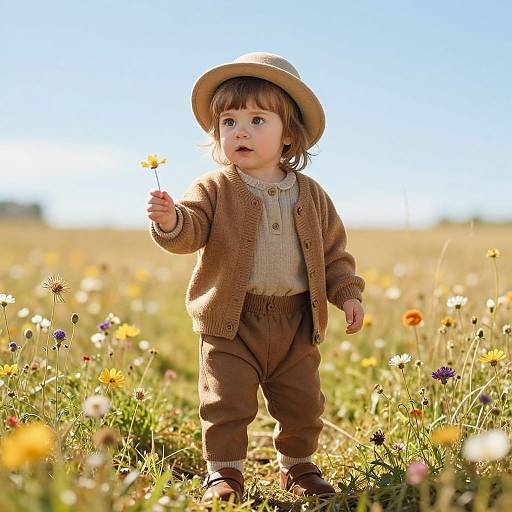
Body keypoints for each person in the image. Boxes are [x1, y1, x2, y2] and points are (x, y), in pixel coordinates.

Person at [146, 52, 365, 504]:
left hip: (295, 321)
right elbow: (190, 231)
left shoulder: (311, 194)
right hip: (232, 320)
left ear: (290, 133)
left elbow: (334, 254)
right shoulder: (214, 188)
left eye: (256, 119)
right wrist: (170, 221)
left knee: (303, 405)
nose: (239, 131)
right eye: (228, 121)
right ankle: (224, 472)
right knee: (226, 402)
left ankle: (298, 466)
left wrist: (347, 295)